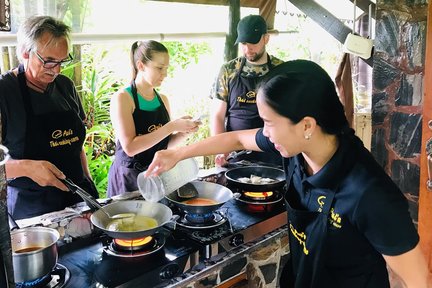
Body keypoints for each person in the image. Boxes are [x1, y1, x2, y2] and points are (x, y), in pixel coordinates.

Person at [144, 60, 430, 287]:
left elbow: (417, 280)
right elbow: (236, 139)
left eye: (268, 122)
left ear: (307, 125)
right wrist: (177, 153)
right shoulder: (296, 147)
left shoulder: (370, 194)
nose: (264, 132)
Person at [0, 16, 99, 220]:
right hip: (32, 211)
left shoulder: (65, 86)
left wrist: (88, 182)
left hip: (78, 200)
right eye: (49, 61)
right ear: (24, 53)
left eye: (62, 61)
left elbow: (76, 145)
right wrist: (26, 167)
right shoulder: (4, 92)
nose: (57, 70)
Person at [107, 40, 200, 197]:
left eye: (166, 68)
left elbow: (164, 145)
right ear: (141, 66)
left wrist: (184, 133)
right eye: (159, 68)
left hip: (155, 175)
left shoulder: (162, 99)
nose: (165, 74)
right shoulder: (123, 98)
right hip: (128, 178)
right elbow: (130, 147)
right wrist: (172, 126)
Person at [210, 14, 284, 167]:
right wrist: (220, 149)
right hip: (235, 153)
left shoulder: (281, 70)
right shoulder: (228, 70)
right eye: (243, 43)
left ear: (266, 39)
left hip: (272, 152)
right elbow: (217, 115)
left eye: (253, 43)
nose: (247, 49)